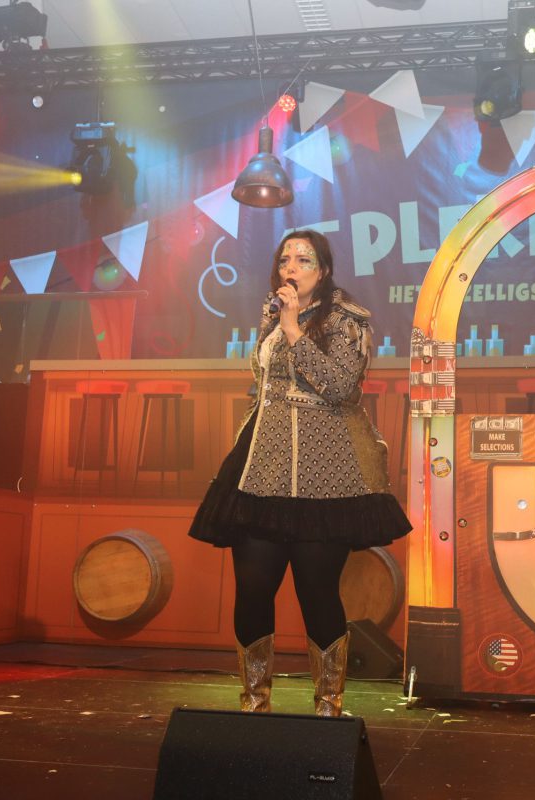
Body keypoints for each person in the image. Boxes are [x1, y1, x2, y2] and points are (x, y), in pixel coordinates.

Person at [188, 229, 411, 717]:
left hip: (323, 474)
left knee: (316, 590)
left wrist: (292, 329)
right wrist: (282, 323)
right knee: (253, 586)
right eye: (285, 258)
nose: (291, 267)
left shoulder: (347, 319)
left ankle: (328, 706)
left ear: (323, 270)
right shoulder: (271, 313)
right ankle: (254, 704)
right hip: (261, 470)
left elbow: (340, 387)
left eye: (304, 259)